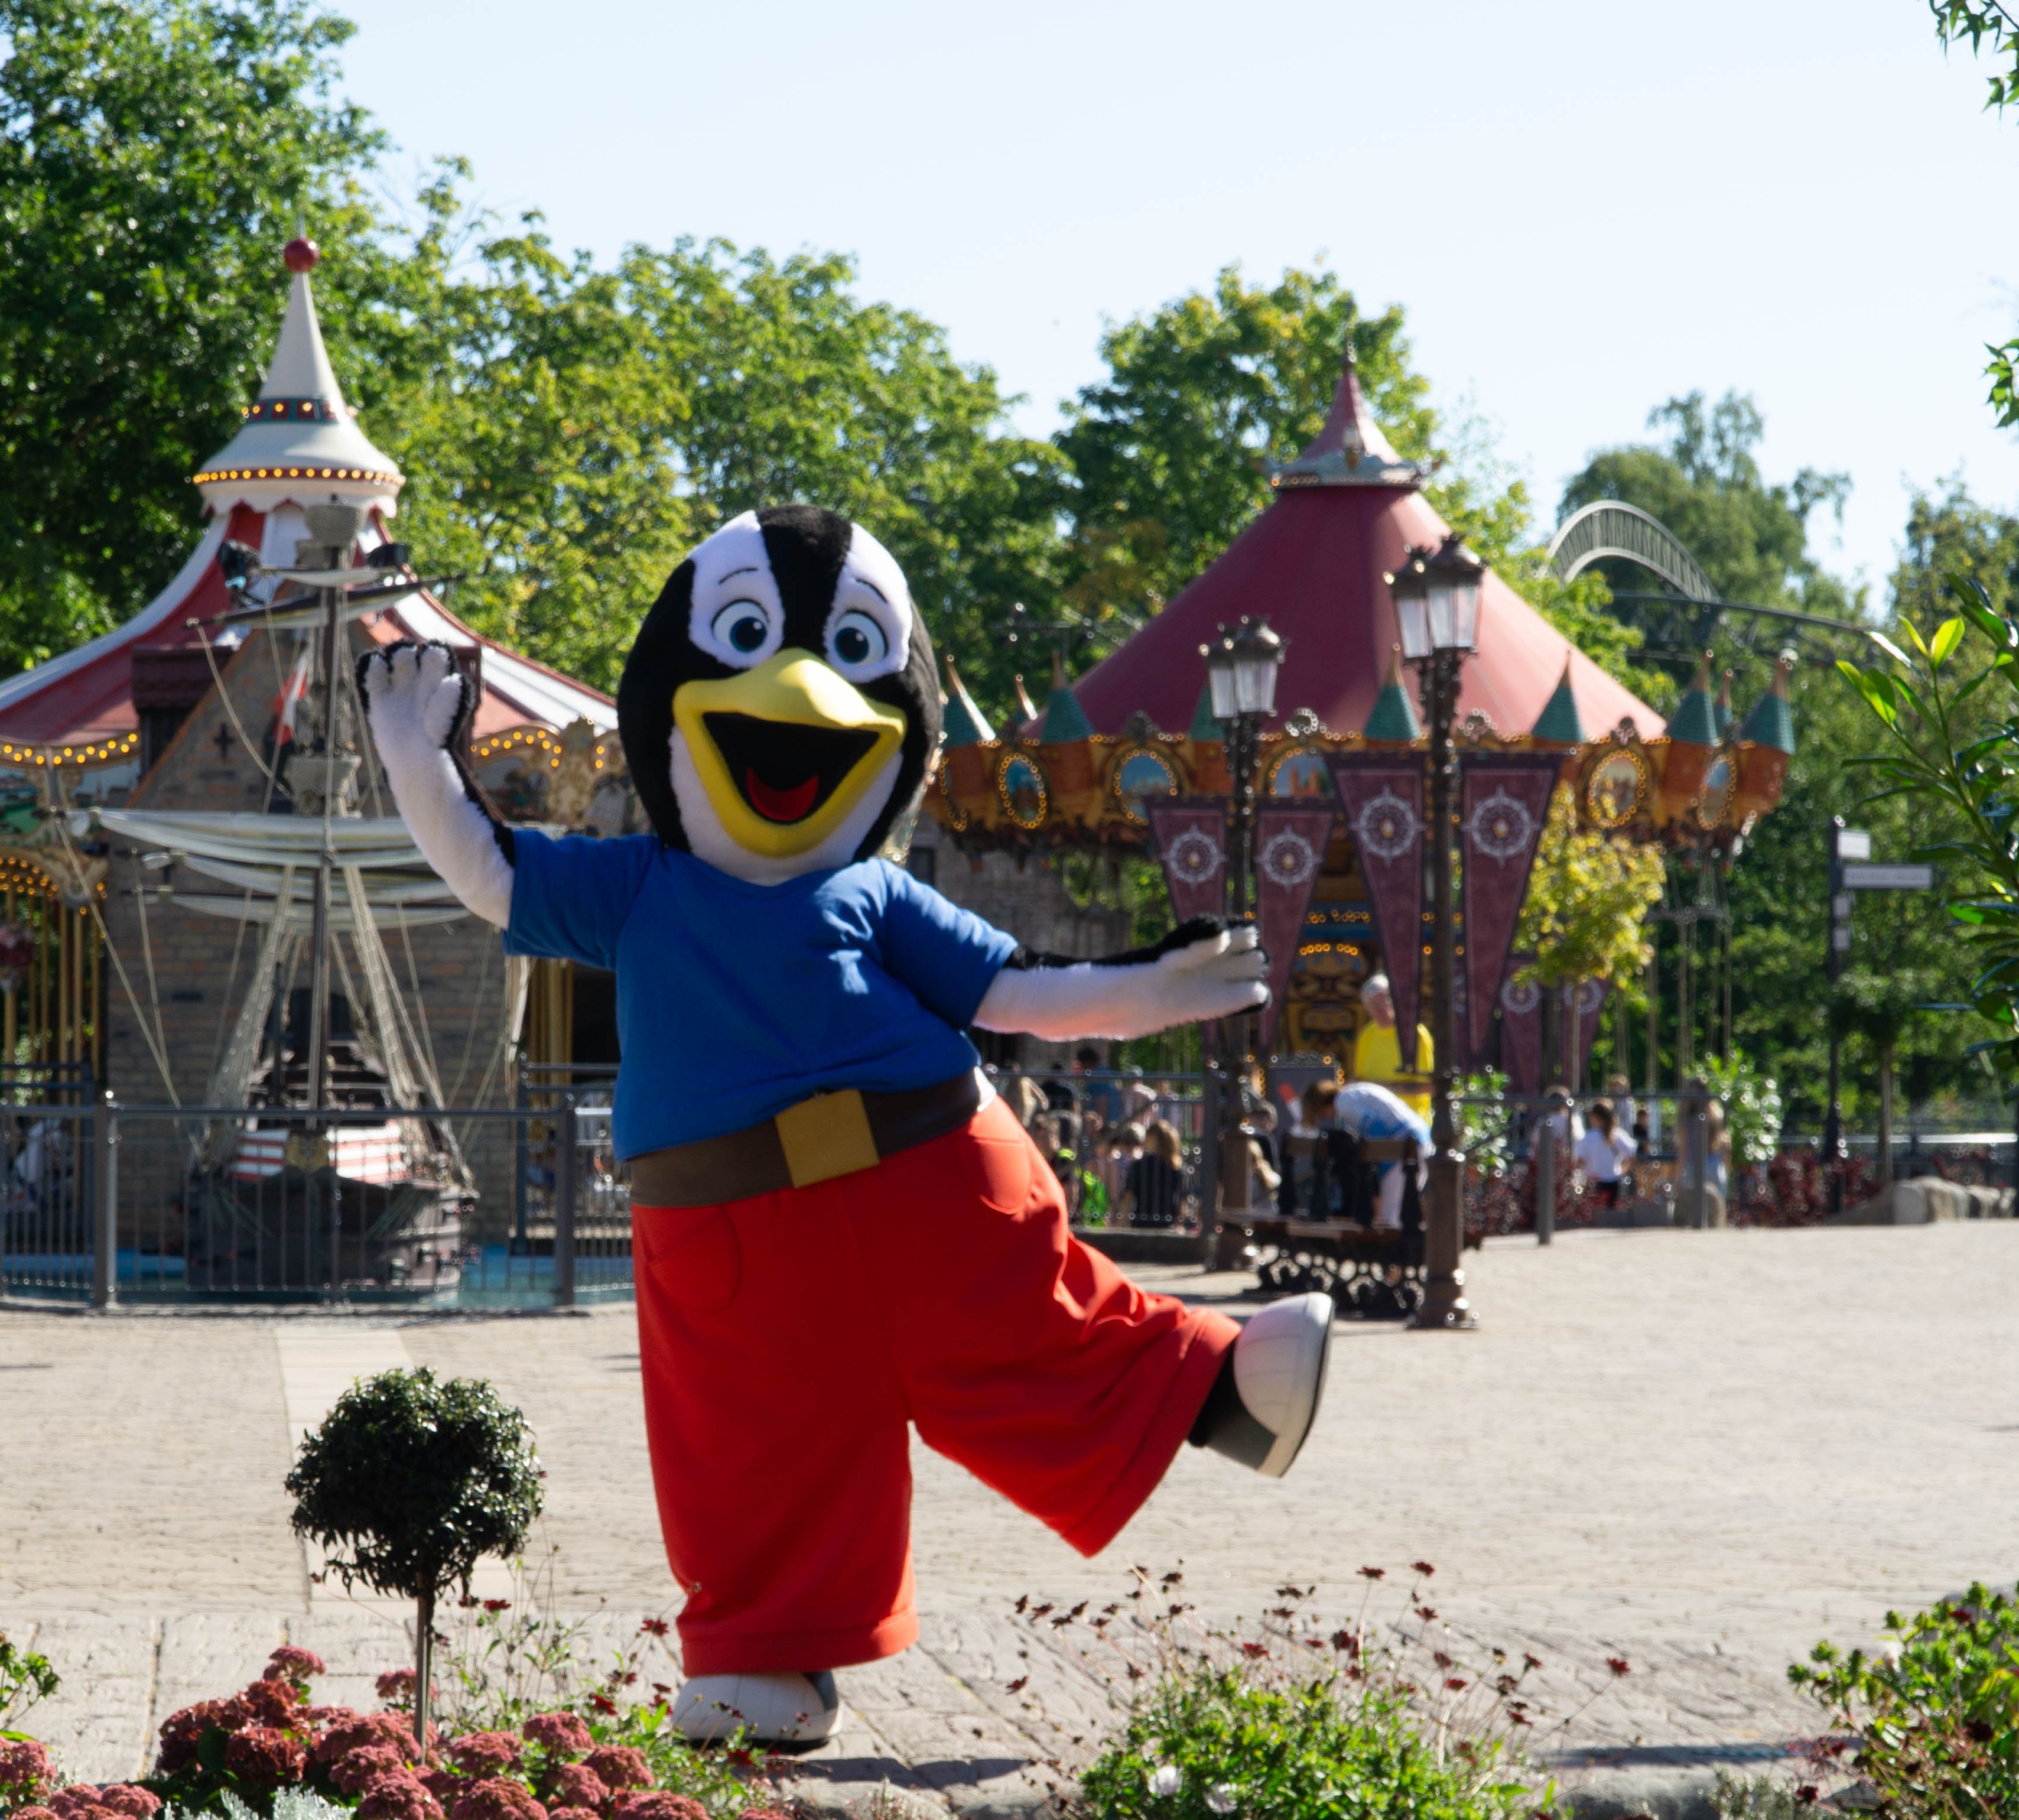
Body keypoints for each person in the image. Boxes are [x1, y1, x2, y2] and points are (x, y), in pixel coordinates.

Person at [359, 502, 1337, 1753]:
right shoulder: (637, 886)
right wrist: (415, 758)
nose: (795, 700)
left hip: (922, 1168)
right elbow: (492, 875)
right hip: (727, 1231)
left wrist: (1150, 988)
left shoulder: (872, 891)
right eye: (745, 641)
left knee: (1026, 1330)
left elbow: (1010, 991)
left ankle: (1226, 1387)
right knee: (753, 1439)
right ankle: (765, 1659)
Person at [1298, 1075, 1433, 1228]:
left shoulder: (1343, 1104)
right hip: (1422, 1140)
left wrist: (1374, 1171)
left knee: (1389, 1217)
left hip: (1402, 1146)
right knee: (1406, 1209)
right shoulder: (1355, 1091)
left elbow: (1377, 1130)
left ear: (1319, 1105)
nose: (1324, 1118)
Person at [1351, 973, 1432, 1113]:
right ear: (1366, 1008)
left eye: (1384, 1003)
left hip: (1409, 1119)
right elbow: (1360, 1079)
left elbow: (1429, 1086)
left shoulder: (1415, 1033)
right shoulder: (1367, 1034)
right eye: (1373, 1006)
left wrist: (1384, 1089)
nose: (1380, 1011)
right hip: (1376, 1120)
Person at [1575, 1099, 1635, 1208]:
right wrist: (1622, 1171)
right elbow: (1631, 1155)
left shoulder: (1589, 1137)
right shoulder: (1618, 1135)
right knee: (1612, 1213)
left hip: (1594, 1181)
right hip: (1614, 1181)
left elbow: (1579, 1160)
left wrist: (1586, 1171)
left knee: (1595, 1212)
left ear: (1595, 1117)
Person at [1128, 1119, 1184, 1226]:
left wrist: (1121, 1222)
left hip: (1142, 1222)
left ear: (1152, 1139)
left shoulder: (1139, 1165)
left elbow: (1128, 1196)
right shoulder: (1176, 1168)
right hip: (1168, 1223)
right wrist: (1180, 1226)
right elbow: (1181, 1201)